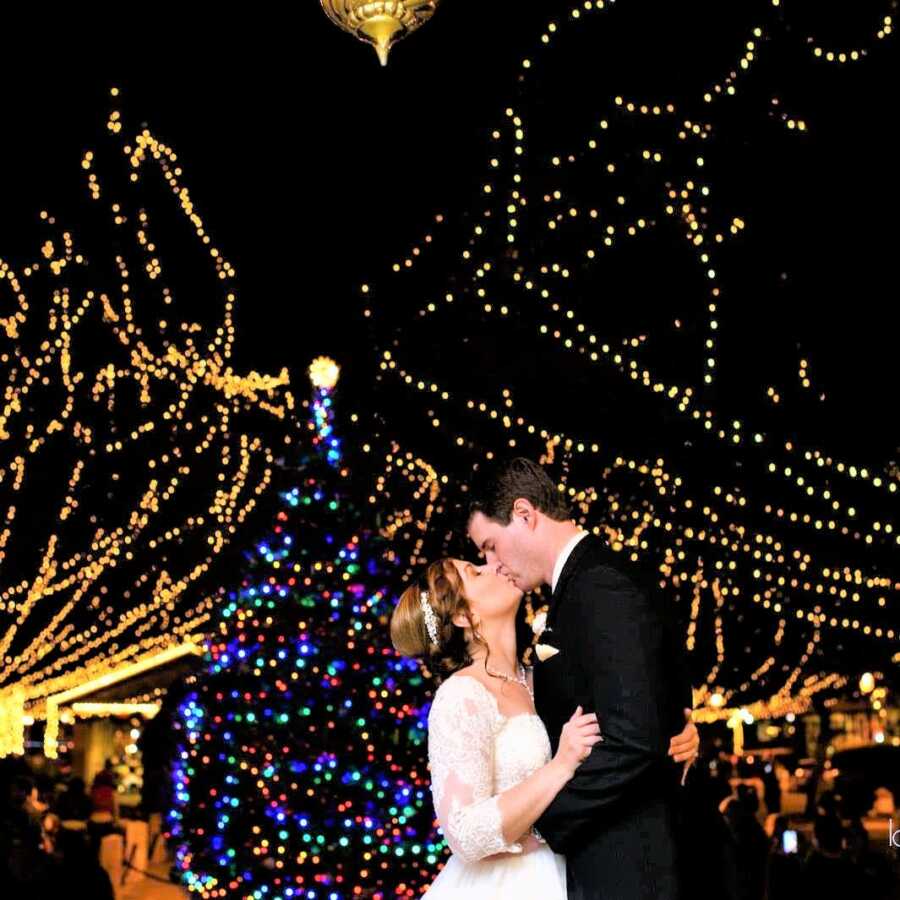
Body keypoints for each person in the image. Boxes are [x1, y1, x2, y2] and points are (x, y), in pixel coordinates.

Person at [390, 552, 699, 898]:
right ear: (465, 615)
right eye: (476, 573)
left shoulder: (546, 677)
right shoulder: (461, 695)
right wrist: (561, 764)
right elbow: (464, 833)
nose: (495, 566)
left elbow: (625, 728)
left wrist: (677, 731)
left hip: (582, 870)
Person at [466, 457, 698, 899]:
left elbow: (633, 736)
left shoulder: (597, 586)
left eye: (491, 546)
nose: (493, 564)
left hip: (629, 867)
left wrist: (545, 822)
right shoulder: (588, 584)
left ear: (524, 515)